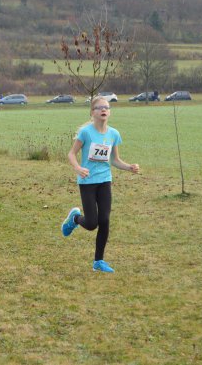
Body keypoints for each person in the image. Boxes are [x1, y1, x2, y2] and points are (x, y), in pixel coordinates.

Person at [61, 96, 140, 273]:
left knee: (104, 220)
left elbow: (115, 160)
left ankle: (98, 261)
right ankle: (75, 218)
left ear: (109, 112)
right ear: (92, 112)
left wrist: (129, 167)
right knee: (91, 223)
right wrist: (78, 168)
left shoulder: (114, 134)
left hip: (105, 180)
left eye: (106, 107)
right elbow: (71, 154)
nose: (104, 110)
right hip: (87, 181)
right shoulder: (86, 133)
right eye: (99, 107)